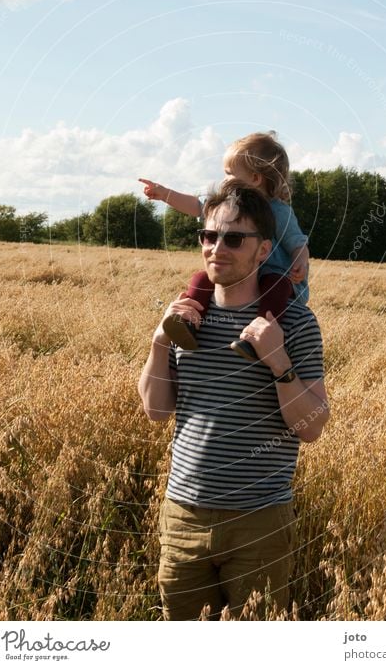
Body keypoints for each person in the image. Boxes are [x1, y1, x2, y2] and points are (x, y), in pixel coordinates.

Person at [138, 181, 329, 620]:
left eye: (233, 238)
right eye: (209, 235)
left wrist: (277, 359)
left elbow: (313, 426)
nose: (217, 247)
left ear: (263, 250)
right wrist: (159, 343)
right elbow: (156, 410)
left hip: (258, 522)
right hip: (182, 516)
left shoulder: (295, 323)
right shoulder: (187, 317)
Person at [139, 131, 310, 361]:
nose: (224, 180)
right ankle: (188, 325)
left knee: (275, 284)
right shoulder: (228, 206)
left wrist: (300, 261)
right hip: (239, 275)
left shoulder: (279, 211)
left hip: (277, 278)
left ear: (255, 179)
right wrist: (164, 193)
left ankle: (255, 337)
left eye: (229, 173)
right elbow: (197, 206)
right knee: (201, 278)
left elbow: (298, 242)